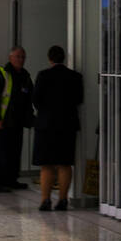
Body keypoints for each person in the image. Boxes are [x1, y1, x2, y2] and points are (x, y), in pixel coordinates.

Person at [32, 45, 83, 211]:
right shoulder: (75, 77)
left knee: (46, 165)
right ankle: (63, 200)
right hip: (67, 125)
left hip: (46, 124)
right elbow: (79, 99)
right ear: (64, 58)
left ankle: (45, 200)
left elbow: (36, 100)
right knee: (64, 163)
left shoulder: (43, 75)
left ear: (50, 58)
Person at [0, 46, 34, 192]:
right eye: (18, 56)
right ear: (10, 58)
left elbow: (29, 98)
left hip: (18, 121)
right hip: (3, 121)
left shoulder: (25, 75)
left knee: (15, 152)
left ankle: (12, 180)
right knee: (2, 153)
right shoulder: (1, 73)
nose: (21, 59)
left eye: (23, 57)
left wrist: (30, 118)